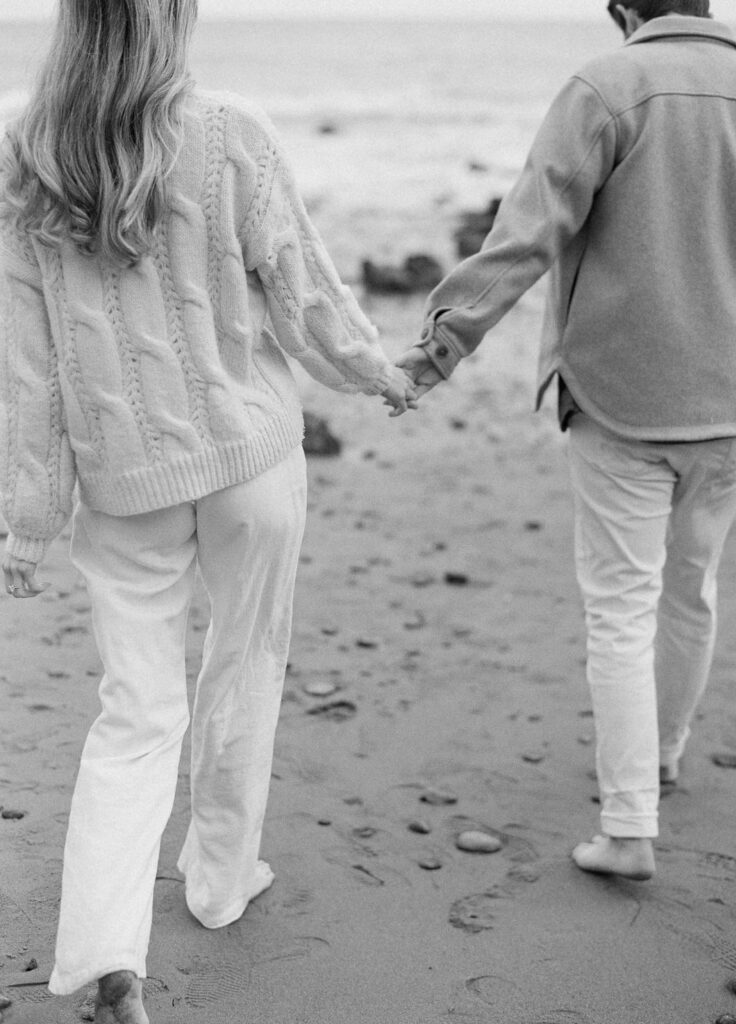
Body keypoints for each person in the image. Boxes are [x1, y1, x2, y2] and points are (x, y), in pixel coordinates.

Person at [0, 2, 416, 1021]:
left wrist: (30, 518)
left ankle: (108, 960)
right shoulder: (232, 130)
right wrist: (380, 371)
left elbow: (27, 369)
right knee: (245, 661)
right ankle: (221, 882)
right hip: (250, 463)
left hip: (123, 481)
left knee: (135, 713)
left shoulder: (21, 150)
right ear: (172, 19)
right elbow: (304, 292)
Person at [399, 0, 736, 883]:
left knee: (622, 608)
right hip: (735, 399)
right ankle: (663, 756)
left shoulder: (607, 85)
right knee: (691, 590)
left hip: (621, 395)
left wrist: (443, 343)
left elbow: (527, 233)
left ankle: (630, 828)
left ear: (624, 9)